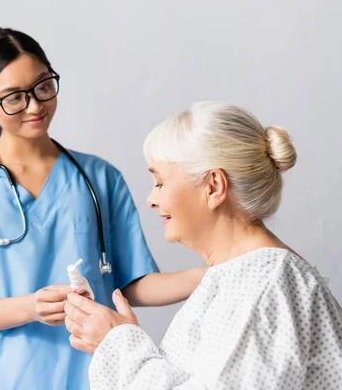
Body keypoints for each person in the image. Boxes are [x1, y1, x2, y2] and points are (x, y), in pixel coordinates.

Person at [0, 27, 206, 390]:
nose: (35, 106)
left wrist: (212, 274)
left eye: (43, 86)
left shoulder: (99, 178)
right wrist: (31, 307)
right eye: (14, 98)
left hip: (96, 375)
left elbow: (130, 285)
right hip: (4, 378)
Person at [64, 101, 342, 389]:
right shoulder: (244, 279)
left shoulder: (264, 286)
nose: (151, 199)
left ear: (214, 187)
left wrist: (118, 343)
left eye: (160, 183)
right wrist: (111, 341)